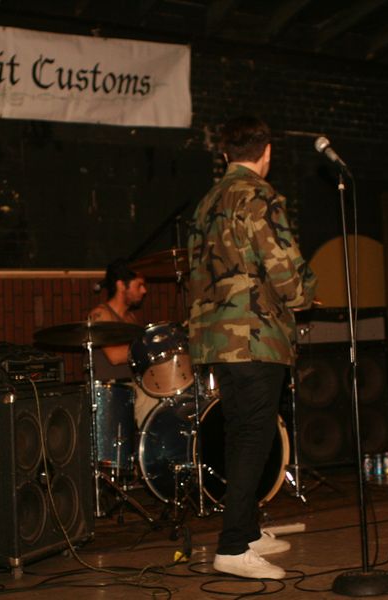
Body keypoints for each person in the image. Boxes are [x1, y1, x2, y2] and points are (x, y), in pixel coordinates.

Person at [188, 116, 317, 579]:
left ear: (225, 153)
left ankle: (245, 529)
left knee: (241, 430)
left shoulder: (207, 202)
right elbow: (284, 269)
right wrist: (304, 294)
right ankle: (232, 547)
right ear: (266, 153)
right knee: (253, 435)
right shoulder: (258, 195)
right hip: (254, 334)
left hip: (214, 335)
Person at [86, 259, 156, 426]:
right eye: (139, 285)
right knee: (152, 401)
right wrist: (153, 346)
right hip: (111, 390)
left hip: (132, 387)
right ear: (121, 285)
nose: (144, 290)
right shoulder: (101, 314)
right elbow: (115, 356)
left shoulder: (131, 318)